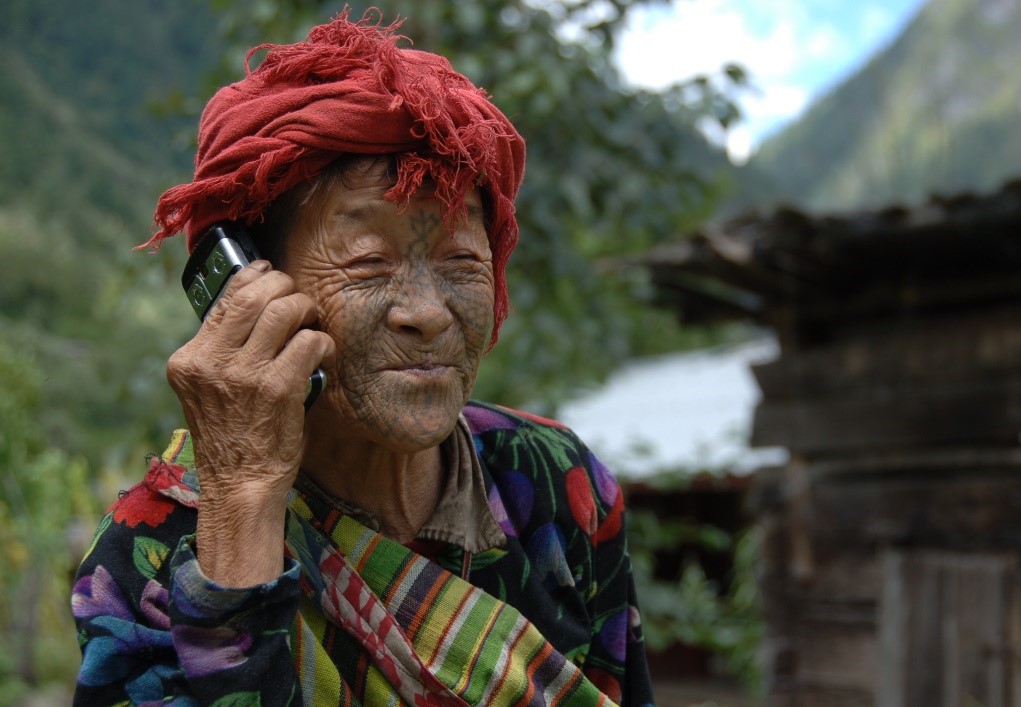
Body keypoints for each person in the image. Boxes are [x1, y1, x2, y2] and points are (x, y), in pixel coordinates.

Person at [71, 11, 655, 706]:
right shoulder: (150, 551)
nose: (428, 311)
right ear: (248, 286)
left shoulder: (560, 485)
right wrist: (242, 510)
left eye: (463, 260)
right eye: (368, 262)